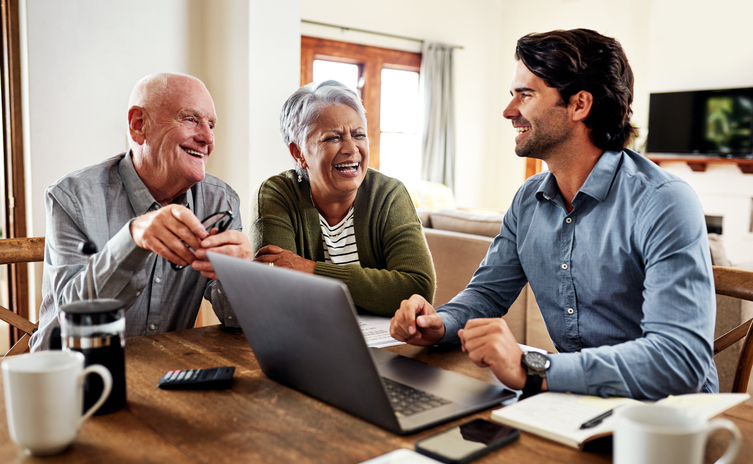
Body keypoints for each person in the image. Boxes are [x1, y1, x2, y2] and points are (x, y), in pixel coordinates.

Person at [390, 29, 718, 400]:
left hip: (665, 417)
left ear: (580, 105)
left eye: (525, 94)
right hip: (572, 399)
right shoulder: (528, 200)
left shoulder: (663, 202)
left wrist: (535, 368)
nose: (509, 111)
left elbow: (680, 361)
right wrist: (440, 324)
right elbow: (486, 294)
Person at [30, 73, 254, 351]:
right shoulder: (72, 197)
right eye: (190, 119)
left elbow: (238, 322)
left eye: (211, 125)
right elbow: (65, 325)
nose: (208, 137)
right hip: (75, 374)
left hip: (163, 375)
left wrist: (242, 275)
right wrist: (132, 239)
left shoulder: (221, 200)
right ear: (139, 125)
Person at [251, 80, 435, 316]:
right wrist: (376, 292)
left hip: (384, 344)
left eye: (359, 135)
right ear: (299, 153)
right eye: (332, 138)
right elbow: (275, 291)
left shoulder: (388, 194)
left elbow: (417, 289)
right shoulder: (278, 194)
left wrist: (311, 270)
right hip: (305, 341)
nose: (351, 148)